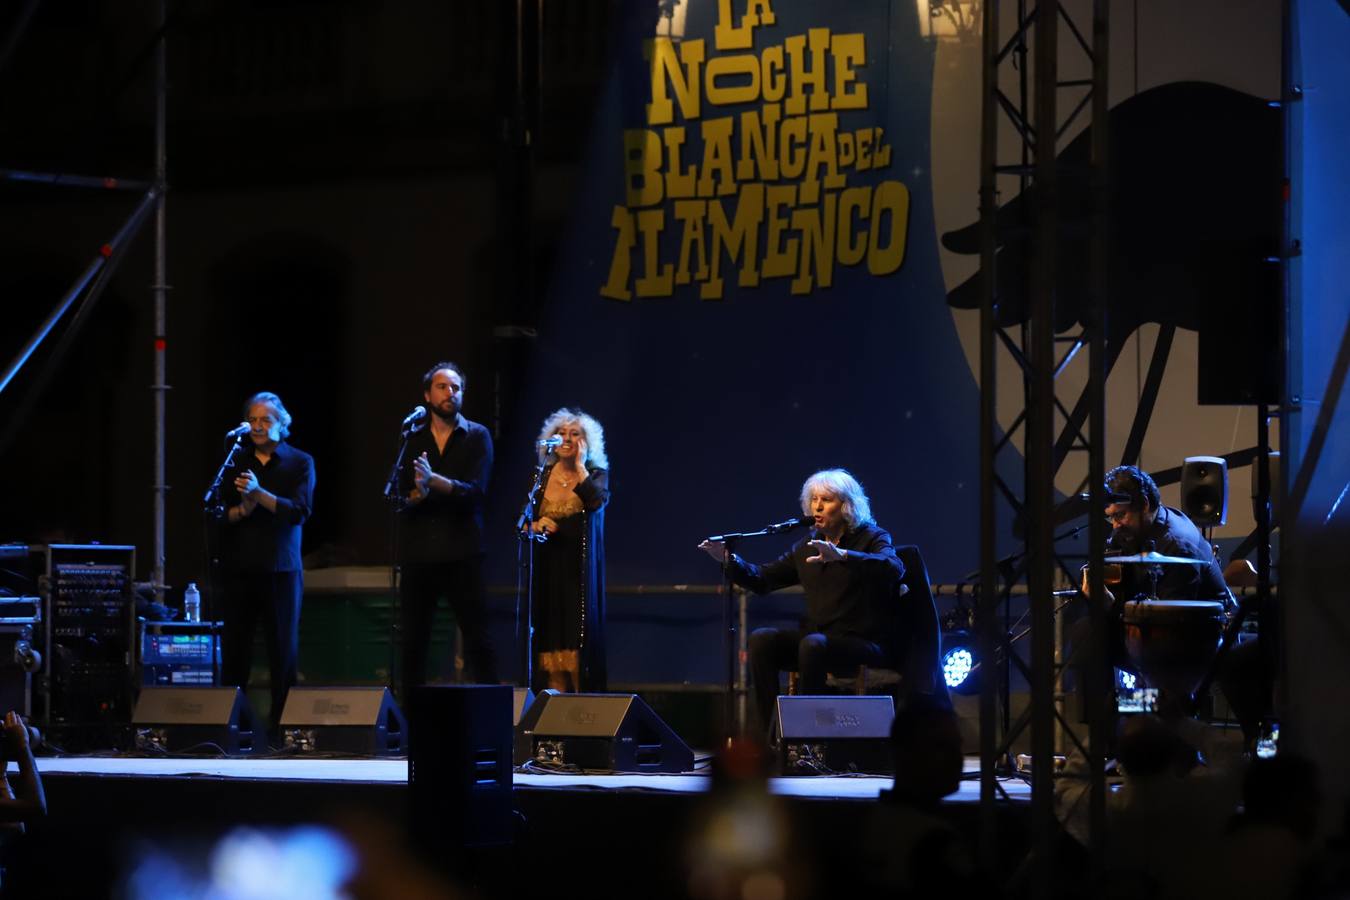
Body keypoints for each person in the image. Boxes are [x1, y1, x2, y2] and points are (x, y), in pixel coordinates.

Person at [699, 469, 905, 737]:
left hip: (865, 642)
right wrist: (729, 561)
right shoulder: (807, 545)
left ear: (847, 505)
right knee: (763, 640)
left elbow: (894, 567)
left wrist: (843, 555)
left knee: (812, 643)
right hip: (820, 641)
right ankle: (769, 737)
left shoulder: (872, 537)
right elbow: (763, 579)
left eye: (827, 500)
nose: (817, 506)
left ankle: (809, 739)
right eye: (814, 499)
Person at [397, 362, 498, 694]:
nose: (449, 393)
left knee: (478, 638)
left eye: (455, 388)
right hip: (419, 552)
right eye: (442, 387)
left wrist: (435, 483)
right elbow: (399, 492)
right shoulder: (412, 437)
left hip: (462, 551)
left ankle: (491, 720)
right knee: (413, 641)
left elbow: (477, 491)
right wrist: (418, 494)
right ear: (427, 395)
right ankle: (412, 721)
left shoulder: (477, 435)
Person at [221, 391, 315, 731]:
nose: (258, 427)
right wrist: (240, 511)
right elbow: (216, 515)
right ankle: (234, 726)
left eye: (266, 420)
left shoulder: (299, 462)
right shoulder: (235, 459)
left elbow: (299, 512)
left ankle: (283, 729)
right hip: (240, 568)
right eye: (254, 421)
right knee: (235, 652)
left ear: (282, 424)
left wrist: (259, 495)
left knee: (282, 653)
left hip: (281, 569)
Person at [526, 408, 610, 693]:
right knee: (549, 647)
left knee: (578, 643)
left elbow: (596, 502)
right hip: (549, 571)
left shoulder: (596, 475)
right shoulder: (542, 477)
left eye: (575, 434)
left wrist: (581, 465)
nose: (567, 438)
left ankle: (582, 715)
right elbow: (523, 522)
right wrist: (537, 526)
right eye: (561, 433)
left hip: (579, 573)